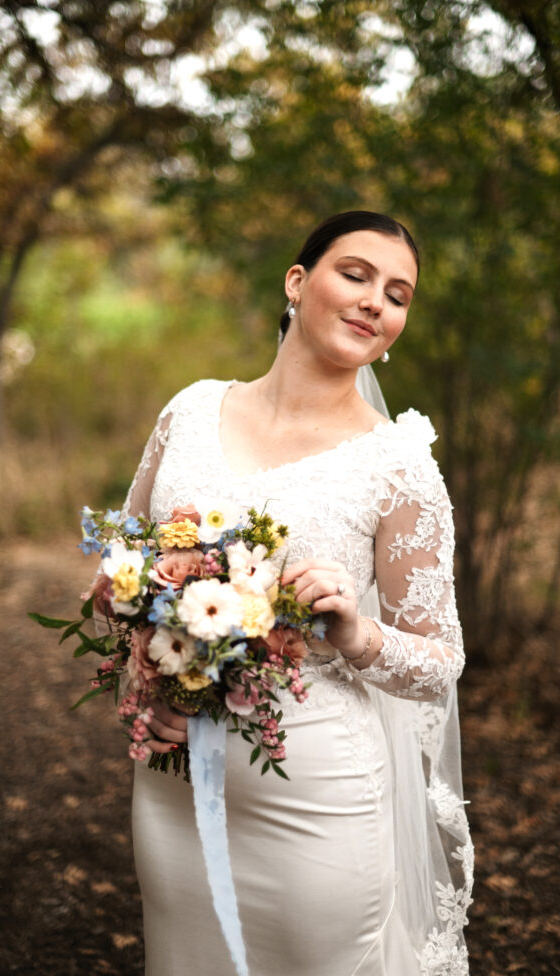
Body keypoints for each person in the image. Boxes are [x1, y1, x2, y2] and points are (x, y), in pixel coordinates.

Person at [119, 211, 473, 975]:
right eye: (355, 274)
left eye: (398, 294)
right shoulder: (189, 411)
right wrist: (149, 675)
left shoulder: (399, 468)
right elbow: (120, 570)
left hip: (317, 798)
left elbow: (440, 663)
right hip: (174, 780)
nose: (377, 301)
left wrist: (354, 632)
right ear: (296, 281)